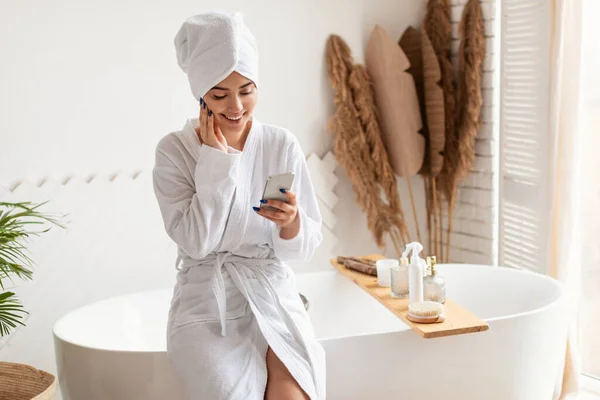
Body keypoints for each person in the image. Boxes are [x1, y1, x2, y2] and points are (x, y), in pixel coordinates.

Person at [152, 11, 326, 400]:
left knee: (293, 391)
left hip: (271, 293)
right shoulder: (174, 152)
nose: (236, 106)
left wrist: (291, 223)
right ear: (200, 95)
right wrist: (216, 162)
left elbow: (304, 244)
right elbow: (197, 242)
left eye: (247, 90)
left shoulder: (280, 144)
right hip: (206, 306)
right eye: (219, 94)